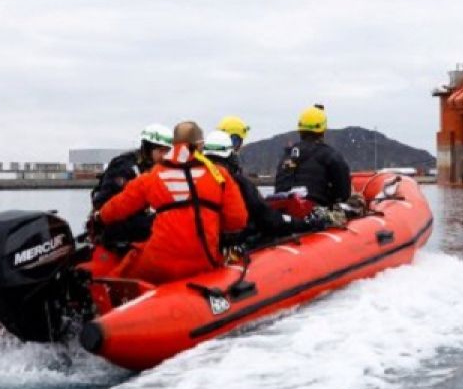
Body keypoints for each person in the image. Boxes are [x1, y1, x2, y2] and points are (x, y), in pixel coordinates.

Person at [98, 121, 247, 284]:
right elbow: (237, 219)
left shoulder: (153, 176)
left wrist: (99, 219)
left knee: (124, 272)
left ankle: (103, 297)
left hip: (159, 262)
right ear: (200, 145)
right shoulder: (219, 175)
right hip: (204, 260)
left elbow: (118, 206)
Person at [205, 130, 322, 244]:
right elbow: (268, 219)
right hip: (235, 245)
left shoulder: (193, 180)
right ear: (230, 156)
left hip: (205, 246)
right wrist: (304, 224)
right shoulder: (239, 184)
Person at [88, 123, 171, 251]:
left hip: (137, 219)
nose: (164, 156)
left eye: (167, 151)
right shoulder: (125, 167)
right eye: (161, 151)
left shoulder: (155, 168)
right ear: (148, 148)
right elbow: (104, 202)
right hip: (118, 224)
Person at [274, 104, 352, 207]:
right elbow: (343, 194)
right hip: (316, 213)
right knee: (356, 202)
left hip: (285, 212)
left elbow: (279, 188)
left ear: (300, 130)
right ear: (323, 130)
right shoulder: (331, 156)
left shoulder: (287, 156)